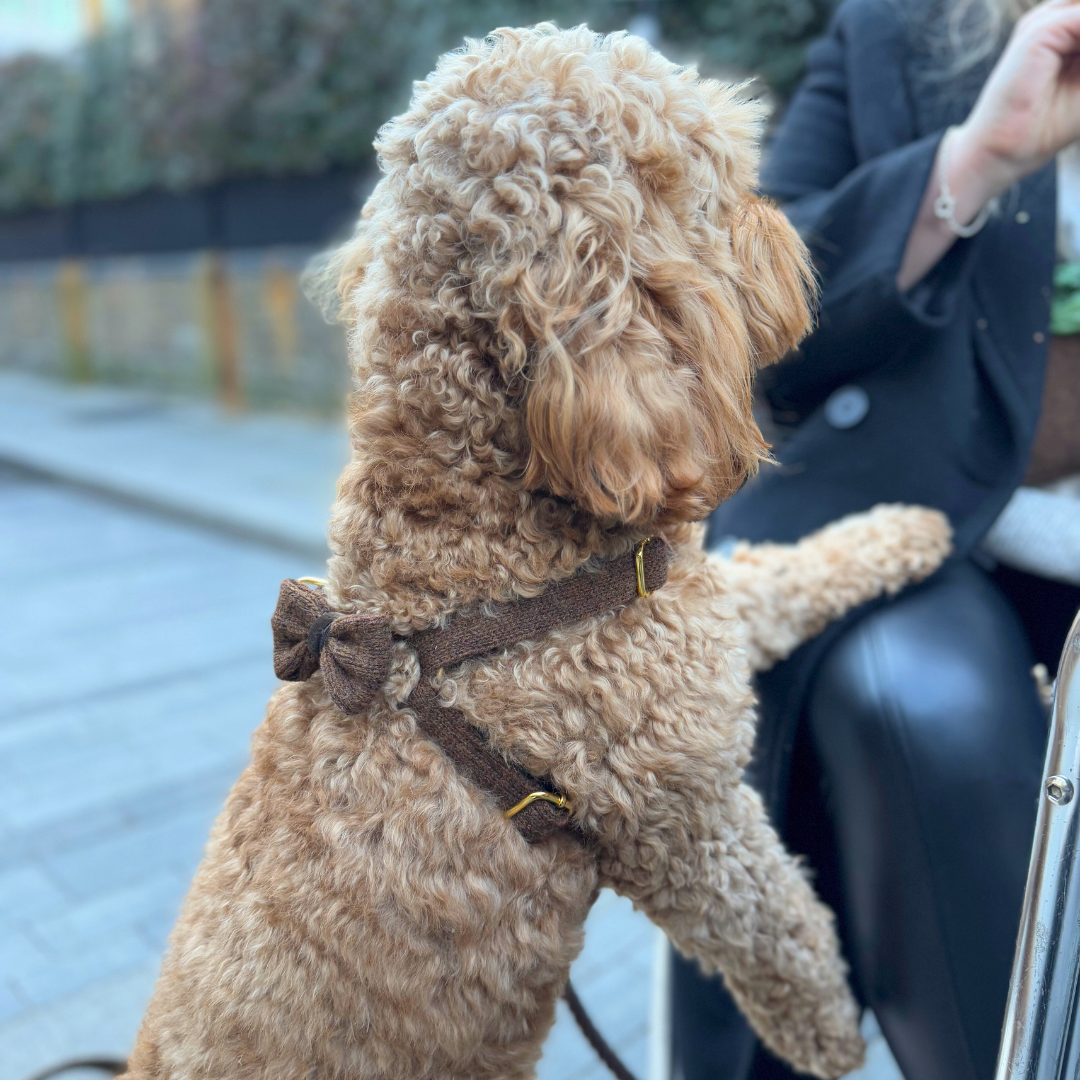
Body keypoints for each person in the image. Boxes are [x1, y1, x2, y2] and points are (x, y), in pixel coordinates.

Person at [670, 2, 1080, 1079]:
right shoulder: (901, 31)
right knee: (919, 704)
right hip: (950, 537)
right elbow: (751, 318)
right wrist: (974, 161)